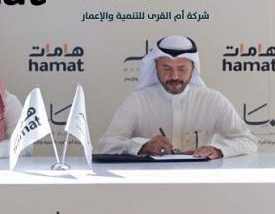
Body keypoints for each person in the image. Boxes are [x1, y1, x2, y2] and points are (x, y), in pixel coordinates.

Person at [98, 35, 257, 158]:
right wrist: (141, 146)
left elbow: (248, 141)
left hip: (200, 181)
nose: (174, 76)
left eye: (182, 69)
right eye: (167, 68)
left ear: (193, 68)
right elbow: (107, 144)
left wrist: (219, 150)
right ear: (156, 67)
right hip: (150, 182)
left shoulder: (213, 101)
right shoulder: (138, 101)